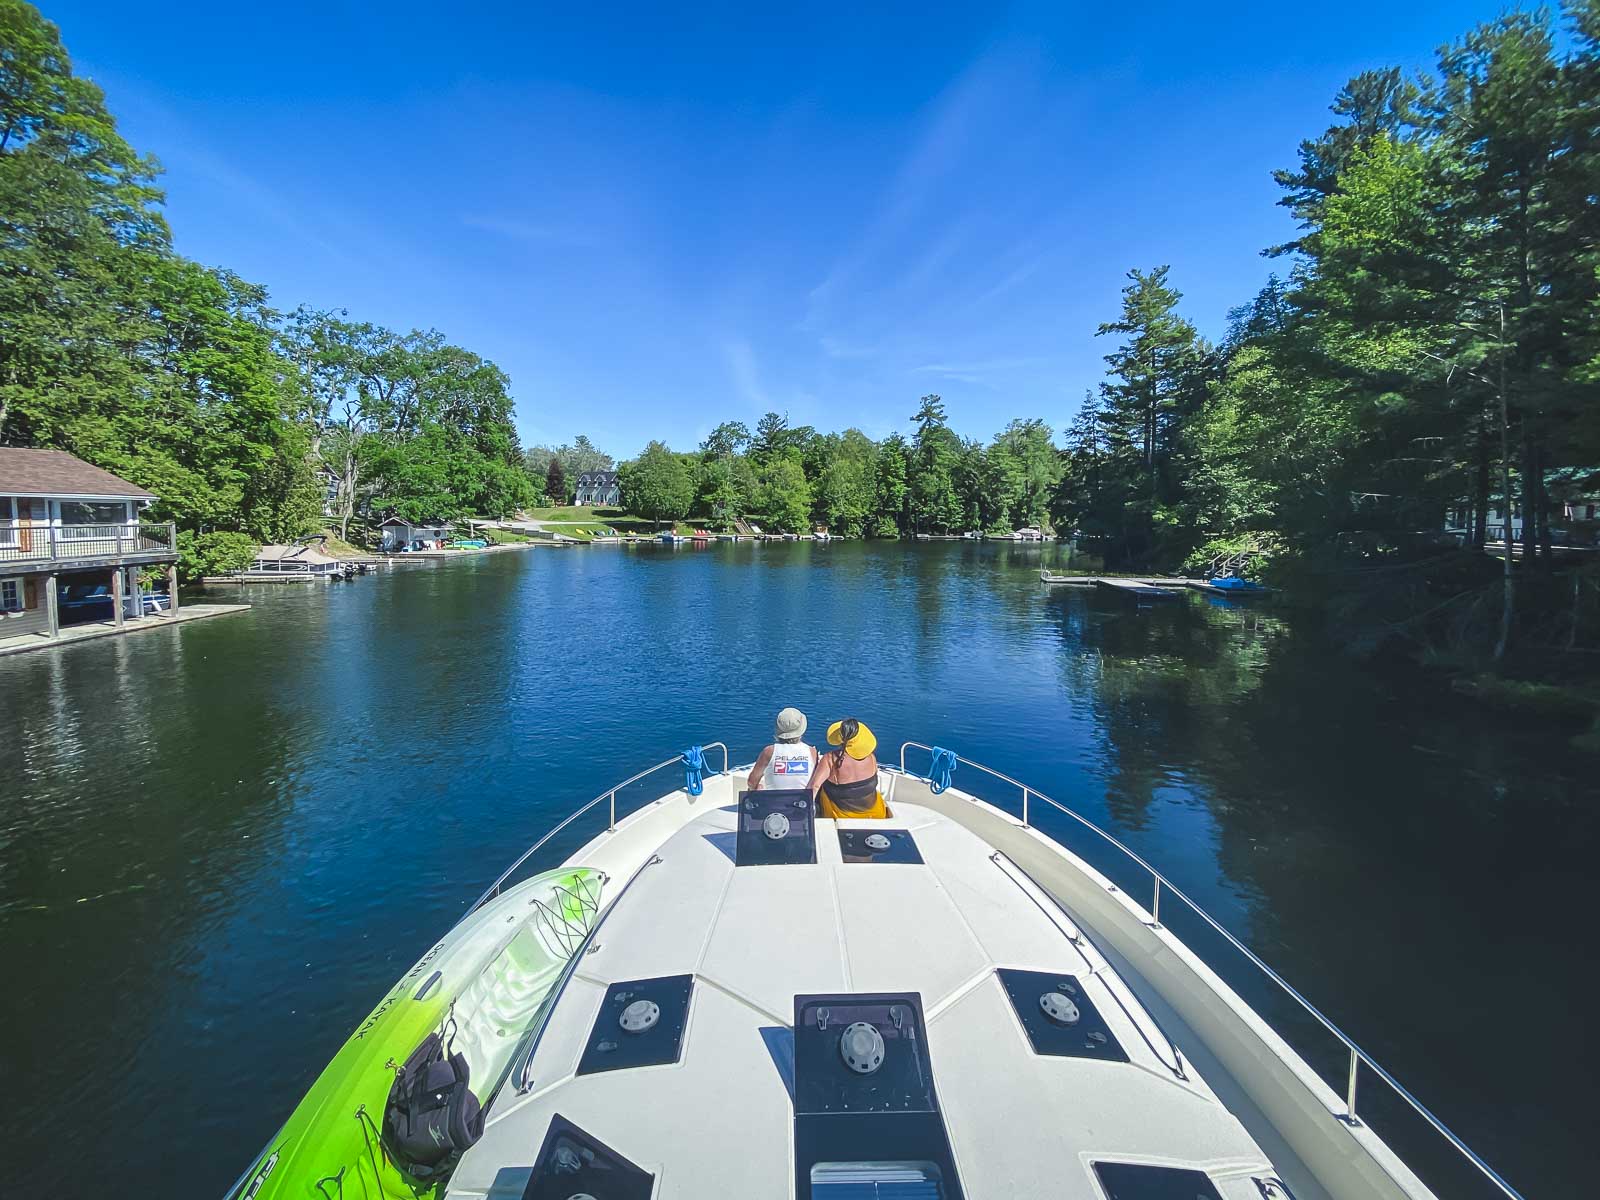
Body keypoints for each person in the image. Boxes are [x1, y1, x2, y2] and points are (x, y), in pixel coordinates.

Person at [811, 718, 887, 819]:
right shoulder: (871, 758)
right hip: (875, 813)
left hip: (840, 815)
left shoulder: (830, 759)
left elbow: (815, 786)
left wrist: (806, 808)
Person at [747, 707, 817, 791]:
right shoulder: (811, 752)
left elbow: (751, 782)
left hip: (772, 803)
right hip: (802, 803)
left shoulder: (769, 752)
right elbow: (815, 783)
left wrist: (758, 788)